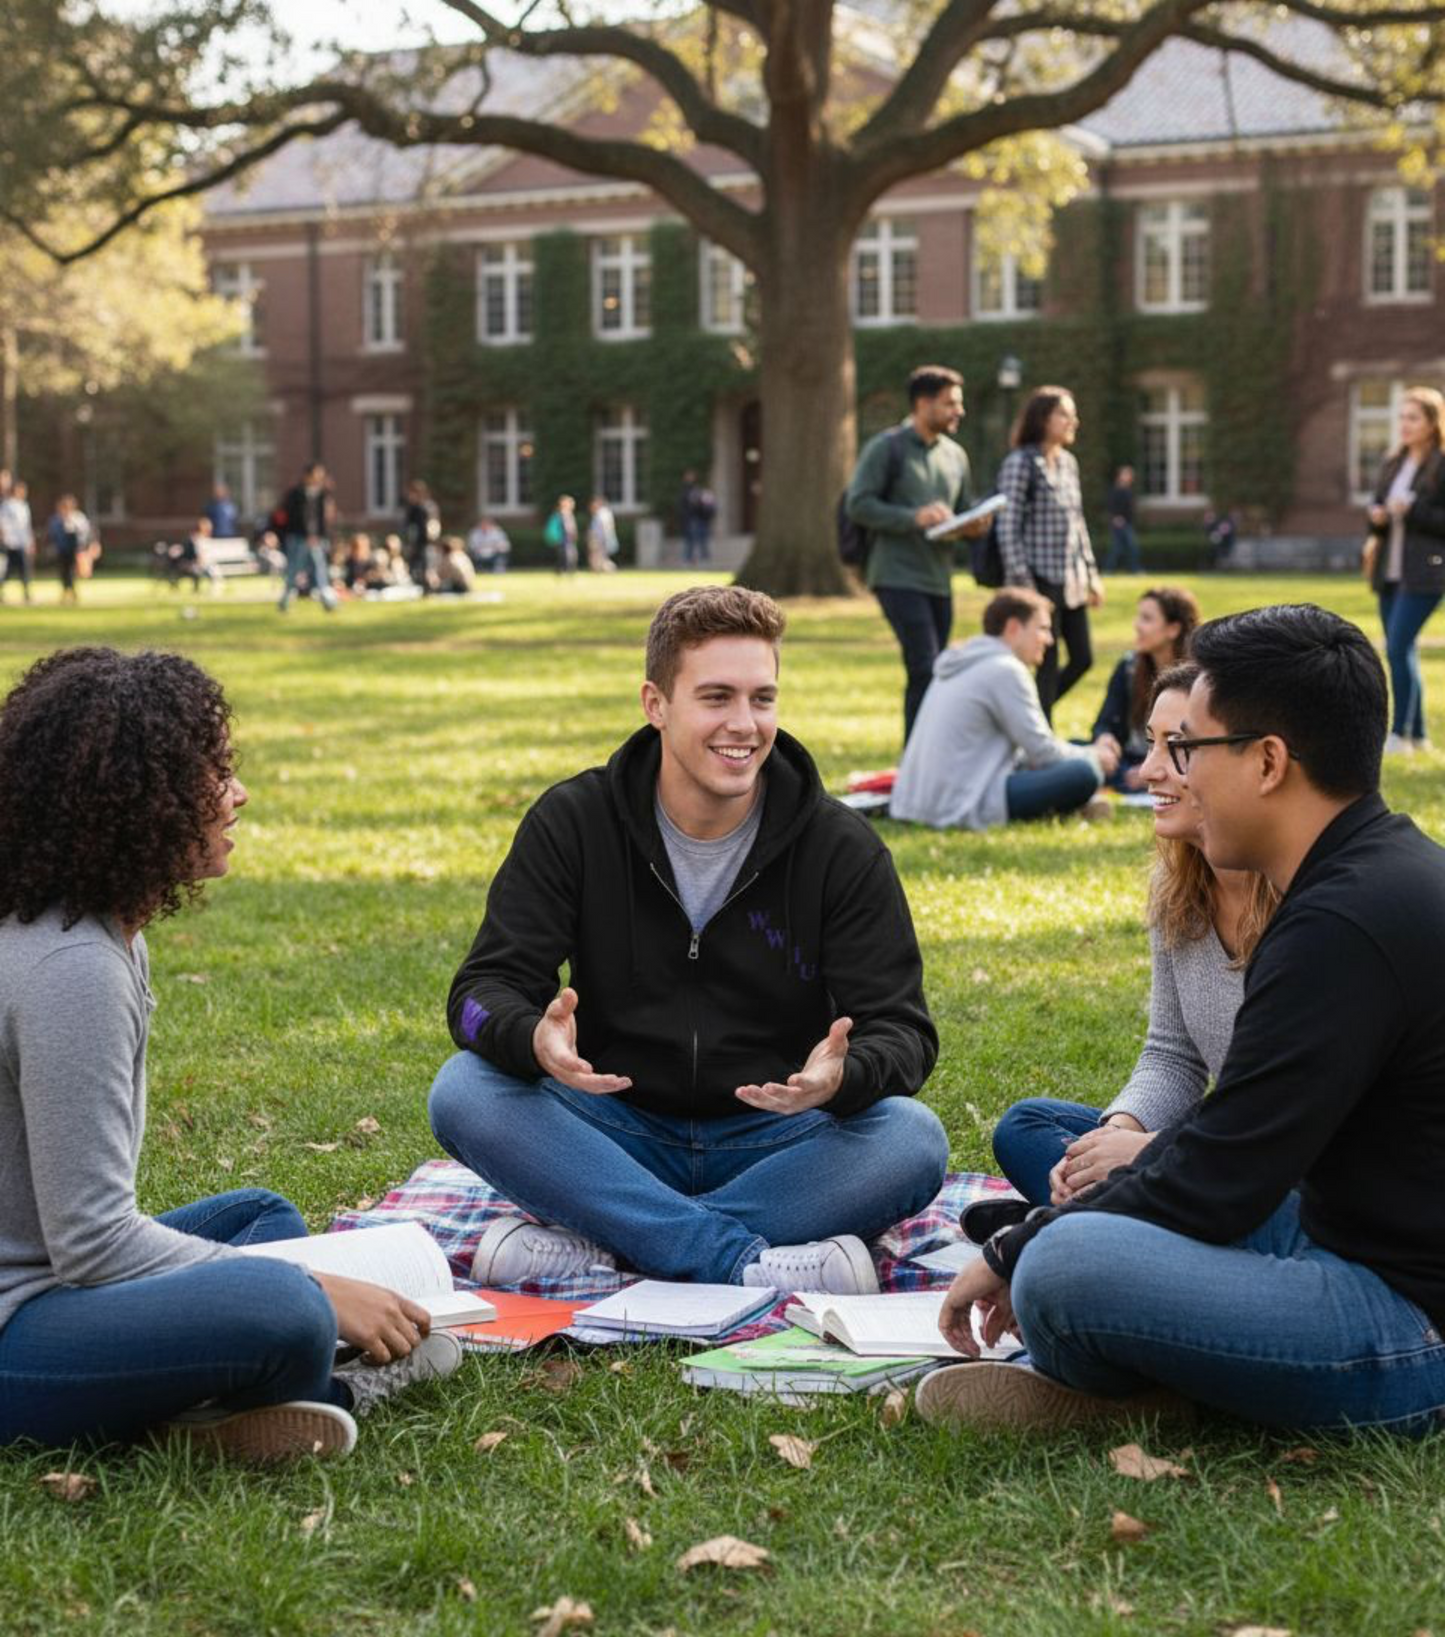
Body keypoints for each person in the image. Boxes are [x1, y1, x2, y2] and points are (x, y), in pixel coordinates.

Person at [922, 603, 1445, 1436]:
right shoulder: (1376, 870)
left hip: (1405, 1328)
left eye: (1192, 748)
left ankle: (1153, 1391)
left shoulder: (1339, 925)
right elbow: (1236, 1146)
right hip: (1327, 1226)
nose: (1174, 774)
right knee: (1076, 1200)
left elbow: (1217, 1176)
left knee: (1060, 1272)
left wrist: (1015, 1248)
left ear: (1268, 761)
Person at [0, 647, 462, 1460]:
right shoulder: (71, 968)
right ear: (137, 802)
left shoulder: (103, 929)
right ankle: (309, 1388)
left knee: (260, 1218)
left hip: (54, 1285)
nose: (237, 795)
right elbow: (93, 1241)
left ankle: (201, 1397)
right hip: (19, 1333)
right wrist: (319, 1291)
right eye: (211, 776)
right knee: (285, 1308)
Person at [428, 585, 948, 1295]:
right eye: (716, 697)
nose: (744, 724)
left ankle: (612, 1245)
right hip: (613, 1131)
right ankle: (736, 1260)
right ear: (655, 703)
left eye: (762, 698)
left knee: (911, 1139)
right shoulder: (573, 822)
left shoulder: (840, 847)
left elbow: (906, 1034)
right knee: (463, 1089)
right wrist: (531, 1040)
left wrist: (843, 1076)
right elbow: (473, 1001)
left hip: (776, 1139)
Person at [975, 662, 1278, 1219]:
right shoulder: (1177, 889)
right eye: (1151, 744)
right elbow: (1173, 1054)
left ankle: (1077, 1223)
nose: (1147, 770)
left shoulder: (1304, 900)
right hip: (1198, 1146)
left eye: (1179, 747)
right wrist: (1114, 1138)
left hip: (1272, 1154)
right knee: (1028, 1125)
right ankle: (1100, 1215)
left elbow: (1276, 1110)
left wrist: (1144, 1153)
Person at [889, 588, 1118, 831]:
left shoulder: (963, 661)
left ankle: (1081, 799)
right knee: (1084, 772)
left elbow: (1028, 750)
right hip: (963, 802)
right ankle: (1083, 799)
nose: (1050, 639)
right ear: (1013, 628)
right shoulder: (1005, 670)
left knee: (1075, 747)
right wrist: (1093, 756)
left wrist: (1085, 750)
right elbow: (1042, 752)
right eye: (1042, 629)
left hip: (921, 802)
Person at [846, 366, 992, 744]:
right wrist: (914, 517)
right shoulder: (886, 447)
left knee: (938, 669)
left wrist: (973, 526)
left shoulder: (956, 456)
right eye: (950, 404)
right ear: (923, 403)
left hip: (939, 579)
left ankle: (929, 752)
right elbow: (858, 505)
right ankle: (916, 760)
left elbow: (962, 509)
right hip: (895, 574)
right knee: (924, 666)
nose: (958, 411)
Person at [996, 386, 1104, 723]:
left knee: (1083, 657)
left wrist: (1091, 574)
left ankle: (1030, 719)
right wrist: (1022, 582)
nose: (1074, 421)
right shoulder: (1021, 463)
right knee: (1046, 662)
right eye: (1064, 414)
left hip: (1071, 579)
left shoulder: (1069, 464)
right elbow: (1007, 524)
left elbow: (1078, 522)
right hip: (1038, 578)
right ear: (1043, 418)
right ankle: (1040, 735)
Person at [1364, 385, 1445, 755]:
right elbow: (1380, 512)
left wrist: (1411, 509)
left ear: (1432, 423)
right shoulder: (1393, 461)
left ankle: (1398, 733)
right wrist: (1378, 517)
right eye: (1402, 417)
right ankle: (1418, 735)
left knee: (1396, 647)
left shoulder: (1441, 465)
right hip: (1390, 570)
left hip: (1426, 571)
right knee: (1403, 649)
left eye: (1413, 417)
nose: (1404, 424)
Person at [1089, 586, 1200, 791]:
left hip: (1176, 761)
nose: (1137, 626)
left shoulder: (1196, 677)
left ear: (1173, 629)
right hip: (1129, 759)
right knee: (1077, 751)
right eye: (1138, 617)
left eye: (1147, 619)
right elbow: (1104, 722)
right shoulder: (1129, 667)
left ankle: (1145, 778)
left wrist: (1153, 767)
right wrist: (1104, 739)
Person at [276, 462, 338, 614]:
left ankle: (327, 601)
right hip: (299, 538)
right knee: (294, 570)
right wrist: (307, 535)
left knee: (320, 568)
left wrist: (320, 535)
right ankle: (285, 600)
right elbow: (293, 517)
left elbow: (324, 518)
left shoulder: (323, 494)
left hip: (317, 539)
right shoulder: (295, 494)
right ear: (307, 476)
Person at [46, 494, 96, 606]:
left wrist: (87, 547)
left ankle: (71, 591)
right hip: (61, 549)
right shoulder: (56, 520)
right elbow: (52, 535)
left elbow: (86, 533)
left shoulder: (78, 518)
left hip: (75, 549)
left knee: (72, 572)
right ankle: (67, 591)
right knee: (63, 571)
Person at [0, 478, 35, 605]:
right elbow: (2, 523)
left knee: (24, 569)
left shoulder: (24, 506)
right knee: (8, 571)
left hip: (22, 543)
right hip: (11, 543)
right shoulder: (6, 505)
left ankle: (26, 594)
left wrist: (30, 541)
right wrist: (4, 538)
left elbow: (27, 526)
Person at [402, 480, 440, 588]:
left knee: (427, 566)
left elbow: (432, 525)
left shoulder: (426, 507)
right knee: (417, 567)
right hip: (420, 543)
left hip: (424, 542)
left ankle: (430, 587)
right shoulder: (415, 508)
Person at [1104, 465, 1140, 574]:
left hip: (1127, 523)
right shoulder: (1116, 490)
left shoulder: (1128, 490)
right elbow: (1111, 506)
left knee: (1129, 548)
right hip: (1119, 524)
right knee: (1119, 548)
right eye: (1125, 474)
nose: (1127, 477)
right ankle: (1108, 570)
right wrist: (1115, 518)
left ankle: (1133, 569)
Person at [679, 471, 717, 566]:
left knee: (702, 539)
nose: (690, 478)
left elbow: (708, 504)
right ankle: (688, 559)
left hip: (701, 518)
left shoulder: (700, 490)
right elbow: (684, 505)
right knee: (690, 540)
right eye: (688, 477)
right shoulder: (685, 490)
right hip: (691, 518)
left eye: (691, 476)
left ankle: (703, 558)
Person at [544, 495, 579, 575]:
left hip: (568, 540)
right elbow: (563, 528)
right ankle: (562, 571)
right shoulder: (559, 515)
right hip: (562, 540)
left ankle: (568, 571)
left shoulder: (569, 515)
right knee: (564, 556)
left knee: (571, 556)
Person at [586, 495, 620, 572]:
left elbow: (606, 527)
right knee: (599, 556)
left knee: (599, 556)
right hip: (599, 538)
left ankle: (609, 569)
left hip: (600, 539)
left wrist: (606, 538)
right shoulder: (600, 514)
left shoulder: (602, 514)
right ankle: (602, 569)